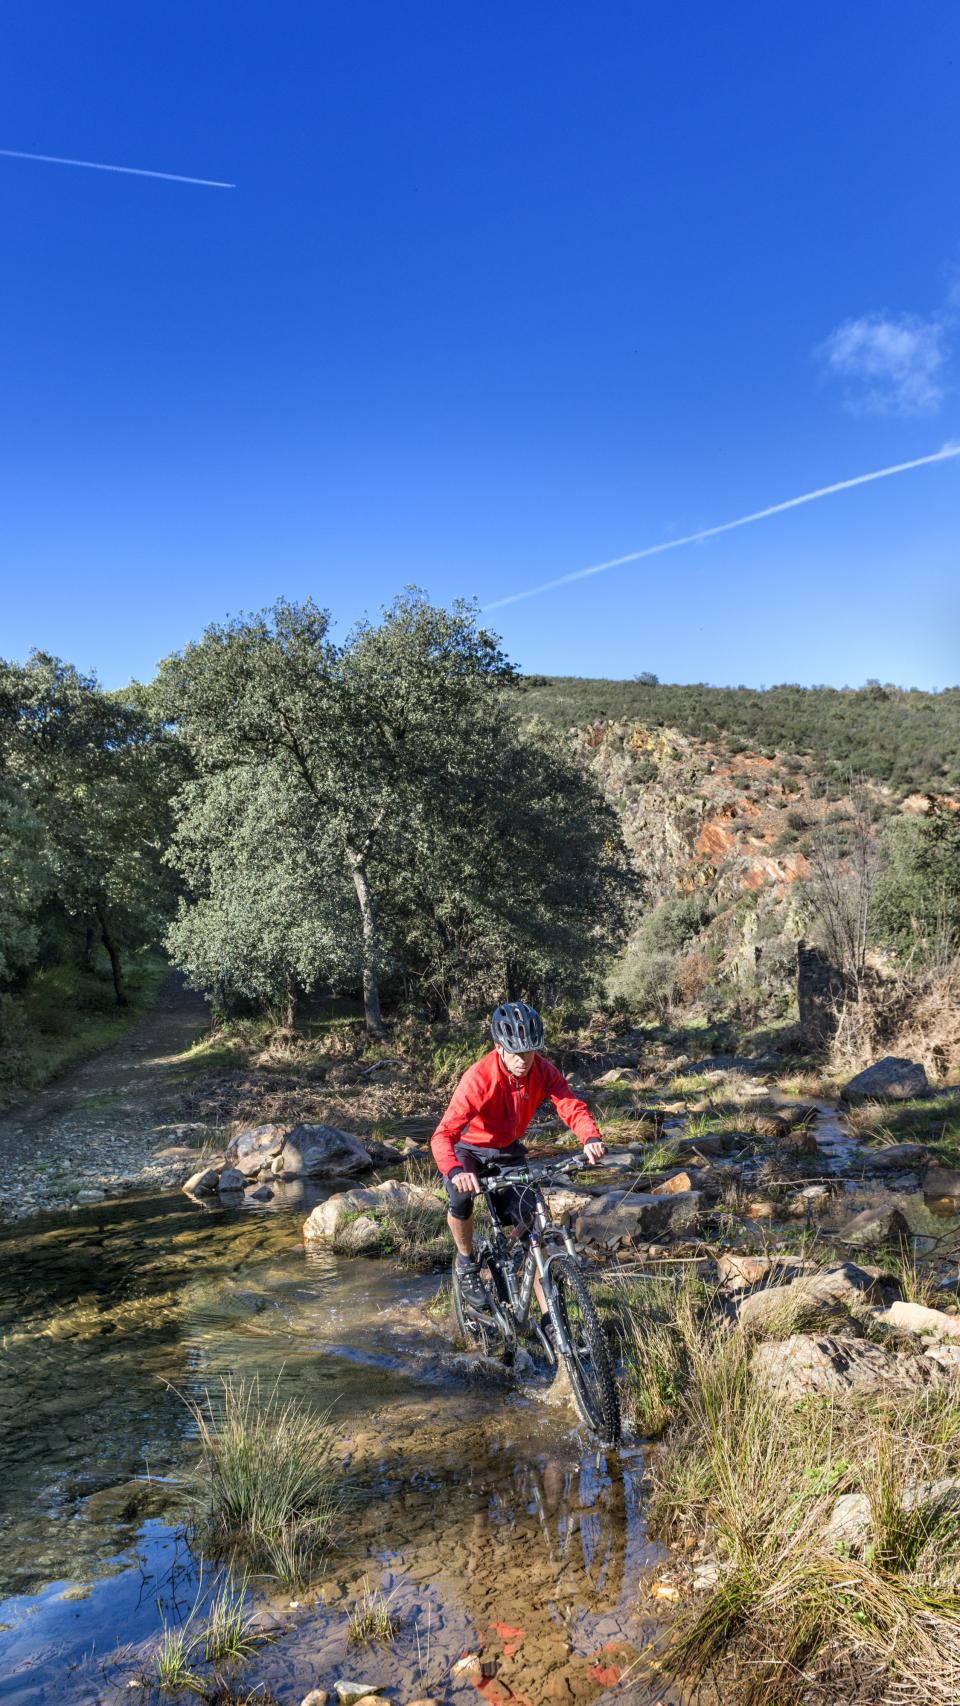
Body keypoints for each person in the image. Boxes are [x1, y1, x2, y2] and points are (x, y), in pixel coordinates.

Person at [430, 1000, 606, 1307]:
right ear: (499, 1047)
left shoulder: (542, 1069)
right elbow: (443, 1135)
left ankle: (551, 1317)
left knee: (534, 1231)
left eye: (530, 1050)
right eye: (516, 1052)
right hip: (469, 1149)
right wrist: (458, 1172)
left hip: (508, 1151)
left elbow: (570, 1106)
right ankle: (467, 1262)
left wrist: (589, 1137)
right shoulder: (479, 1078)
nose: (524, 1059)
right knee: (460, 1198)